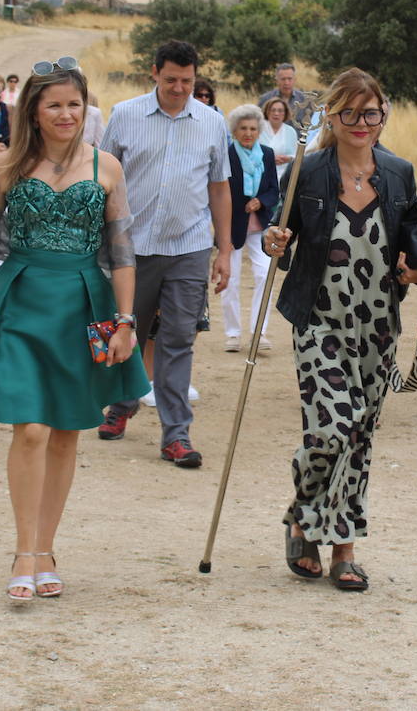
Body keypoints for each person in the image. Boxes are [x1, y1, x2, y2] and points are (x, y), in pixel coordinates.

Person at [0, 58, 148, 601]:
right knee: (32, 428)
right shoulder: (6, 166)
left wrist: (126, 322)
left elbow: (122, 253)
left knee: (65, 430)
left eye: (74, 104)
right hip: (18, 302)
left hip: (84, 304)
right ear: (34, 112)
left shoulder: (107, 167)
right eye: (54, 105)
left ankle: (45, 548)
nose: (66, 114)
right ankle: (23, 549)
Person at [263, 67, 417, 591]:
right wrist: (273, 241)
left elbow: (412, 242)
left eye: (371, 112)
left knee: (359, 436)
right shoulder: (308, 172)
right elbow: (280, 234)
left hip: (378, 325)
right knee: (332, 428)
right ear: (331, 117)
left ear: (384, 115)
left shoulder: (398, 173)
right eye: (349, 113)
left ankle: (343, 549)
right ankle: (302, 518)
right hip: (319, 321)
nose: (361, 122)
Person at [96, 40, 232, 468]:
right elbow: (101, 176)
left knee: (178, 339)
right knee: (125, 331)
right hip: (131, 249)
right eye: (171, 79)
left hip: (189, 247)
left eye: (187, 81)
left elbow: (219, 187)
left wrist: (225, 249)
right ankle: (121, 405)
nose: (179, 88)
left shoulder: (212, 122)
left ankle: (176, 434)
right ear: (154, 72)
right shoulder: (125, 115)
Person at [222, 104, 278, 352]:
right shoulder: (227, 155)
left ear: (259, 131)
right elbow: (219, 189)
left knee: (265, 275)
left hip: (259, 226)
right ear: (235, 131)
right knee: (231, 279)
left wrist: (260, 201)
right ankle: (233, 333)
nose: (248, 133)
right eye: (243, 128)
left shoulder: (267, 154)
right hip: (232, 225)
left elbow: (274, 190)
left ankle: (259, 332)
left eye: (253, 129)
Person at [260, 97, 299, 182]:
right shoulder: (258, 128)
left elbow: (296, 156)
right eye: (273, 110)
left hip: (285, 176)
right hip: (261, 173)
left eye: (280, 111)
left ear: (285, 113)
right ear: (267, 112)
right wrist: (269, 159)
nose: (276, 113)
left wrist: (288, 159)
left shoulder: (291, 131)